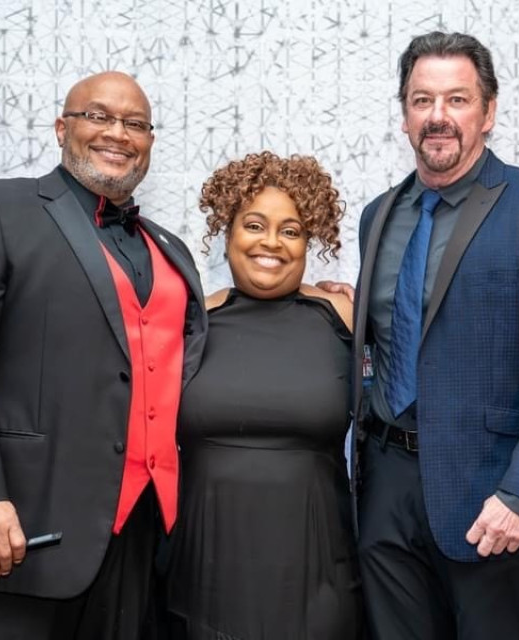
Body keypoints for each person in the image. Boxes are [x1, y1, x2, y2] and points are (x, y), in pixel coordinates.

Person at [0, 71, 207, 639]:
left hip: (143, 538)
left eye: (136, 123)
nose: (118, 133)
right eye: (98, 115)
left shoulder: (171, 249)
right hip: (15, 533)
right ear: (61, 127)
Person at [351, 31, 519, 638]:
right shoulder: (378, 214)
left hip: (490, 491)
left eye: (457, 99)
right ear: (405, 114)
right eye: (422, 100)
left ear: (488, 111)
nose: (438, 117)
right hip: (385, 485)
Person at [164, 151, 362, 639]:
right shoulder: (187, 320)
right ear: (227, 232)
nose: (271, 242)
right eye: (254, 225)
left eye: (291, 231)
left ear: (308, 241)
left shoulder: (344, 318)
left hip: (316, 571)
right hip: (202, 566)